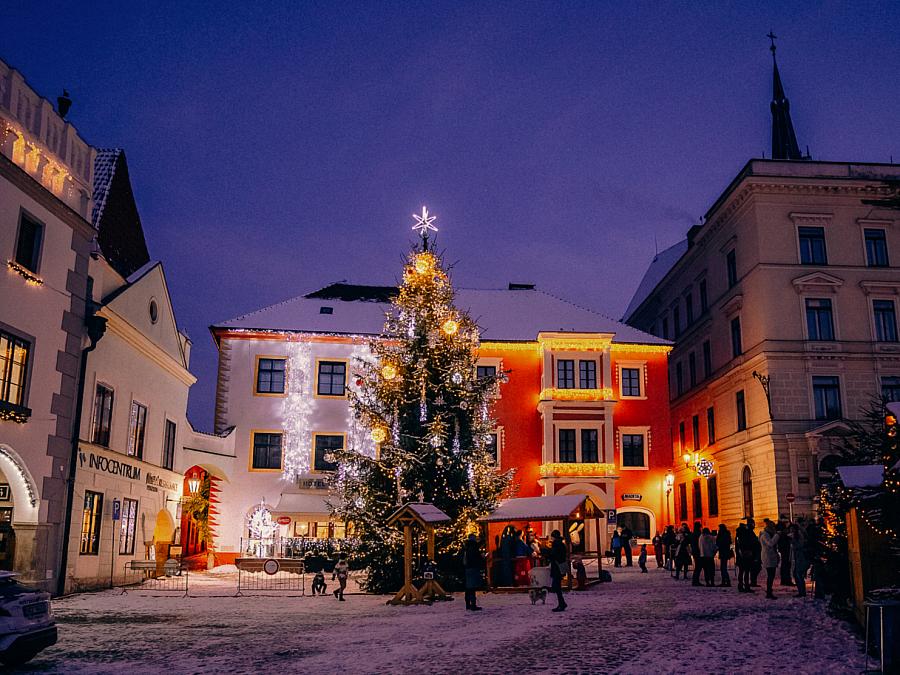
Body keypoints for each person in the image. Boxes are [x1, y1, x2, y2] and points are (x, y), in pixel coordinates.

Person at [759, 519, 780, 599]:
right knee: (770, 575)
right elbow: (770, 543)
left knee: (771, 575)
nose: (774, 529)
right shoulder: (765, 535)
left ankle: (769, 591)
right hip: (768, 557)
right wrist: (777, 535)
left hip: (771, 556)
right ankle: (768, 592)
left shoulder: (768, 534)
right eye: (772, 527)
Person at [462, 533, 484, 611]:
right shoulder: (474, 547)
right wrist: (482, 557)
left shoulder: (466, 547)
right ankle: (473, 604)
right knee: (472, 587)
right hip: (473, 568)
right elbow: (476, 557)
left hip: (467, 568)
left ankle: (468, 604)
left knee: (468, 587)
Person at [549, 530, 568, 612]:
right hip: (560, 566)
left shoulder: (556, 544)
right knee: (557, 586)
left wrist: (547, 552)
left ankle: (561, 603)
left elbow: (553, 555)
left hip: (556, 567)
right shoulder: (562, 544)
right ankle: (562, 603)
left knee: (557, 587)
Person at [788, 523, 809, 598]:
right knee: (796, 575)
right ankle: (801, 591)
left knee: (799, 575)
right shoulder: (794, 536)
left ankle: (802, 592)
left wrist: (793, 542)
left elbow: (799, 545)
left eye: (792, 529)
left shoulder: (798, 535)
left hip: (800, 557)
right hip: (796, 558)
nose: (791, 530)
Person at [734, 523, 753, 593]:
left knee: (741, 571)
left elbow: (737, 547)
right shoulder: (745, 535)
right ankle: (746, 586)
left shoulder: (737, 535)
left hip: (740, 556)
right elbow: (746, 545)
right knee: (746, 571)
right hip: (745, 555)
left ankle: (741, 585)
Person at [776, 520, 793, 587]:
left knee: (784, 565)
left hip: (784, 550)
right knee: (786, 565)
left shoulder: (781, 534)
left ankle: (784, 580)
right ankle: (787, 580)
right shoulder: (783, 535)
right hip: (785, 550)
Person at [691, 521, 703, 586]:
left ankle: (695, 580)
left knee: (697, 567)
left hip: (695, 552)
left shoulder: (693, 534)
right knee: (698, 567)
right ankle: (695, 581)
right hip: (698, 552)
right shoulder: (698, 534)